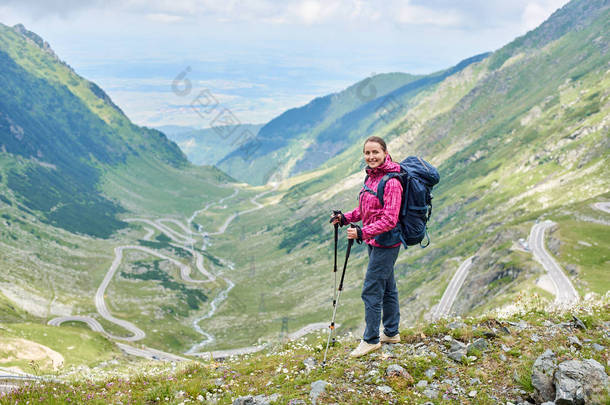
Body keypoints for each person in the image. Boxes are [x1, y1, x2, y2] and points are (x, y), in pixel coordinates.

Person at [330, 135, 403, 358]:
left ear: (385, 153)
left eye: (375, 152)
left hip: (386, 242)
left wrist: (362, 232)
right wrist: (345, 218)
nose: (371, 157)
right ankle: (391, 332)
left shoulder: (392, 182)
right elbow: (365, 211)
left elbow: (390, 219)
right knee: (388, 287)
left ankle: (371, 339)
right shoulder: (371, 178)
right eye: (367, 153)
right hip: (374, 241)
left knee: (371, 290)